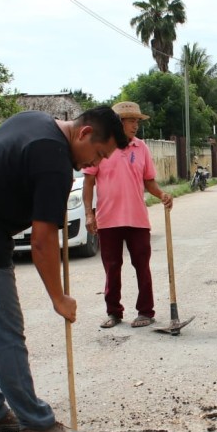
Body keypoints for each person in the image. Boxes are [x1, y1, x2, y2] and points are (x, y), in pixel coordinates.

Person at [0, 106, 127, 432]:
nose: (92, 165)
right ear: (84, 133)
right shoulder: (54, 162)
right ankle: (36, 425)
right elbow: (42, 240)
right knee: (5, 332)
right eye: (97, 153)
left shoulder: (36, 121)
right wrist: (58, 297)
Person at [83, 101, 173, 329]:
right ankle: (114, 312)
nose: (136, 125)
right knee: (111, 267)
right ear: (118, 123)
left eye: (137, 121)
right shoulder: (102, 147)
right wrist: (89, 214)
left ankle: (146, 311)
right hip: (108, 220)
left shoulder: (141, 147)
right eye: (131, 121)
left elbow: (149, 182)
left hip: (137, 219)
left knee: (142, 265)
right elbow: (89, 181)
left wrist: (162, 194)